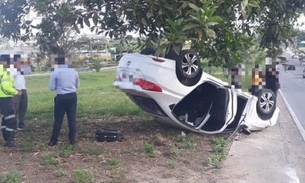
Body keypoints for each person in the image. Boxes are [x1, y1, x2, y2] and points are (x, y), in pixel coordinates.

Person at [48, 56, 80, 146]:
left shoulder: (55, 73)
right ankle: (72, 139)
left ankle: (54, 140)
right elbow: (77, 85)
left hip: (61, 97)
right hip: (72, 96)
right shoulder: (74, 72)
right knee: (72, 118)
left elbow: (52, 87)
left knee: (58, 120)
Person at [0, 54, 21, 147]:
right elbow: (6, 87)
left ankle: (6, 140)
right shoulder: (5, 71)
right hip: (6, 98)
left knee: (5, 118)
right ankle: (10, 141)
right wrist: (16, 92)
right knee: (12, 119)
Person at [12, 54, 28, 131]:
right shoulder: (11, 68)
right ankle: (12, 125)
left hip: (23, 89)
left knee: (23, 107)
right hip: (16, 90)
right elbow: (12, 75)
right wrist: (17, 68)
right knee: (15, 108)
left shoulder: (21, 69)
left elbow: (28, 71)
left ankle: (21, 123)